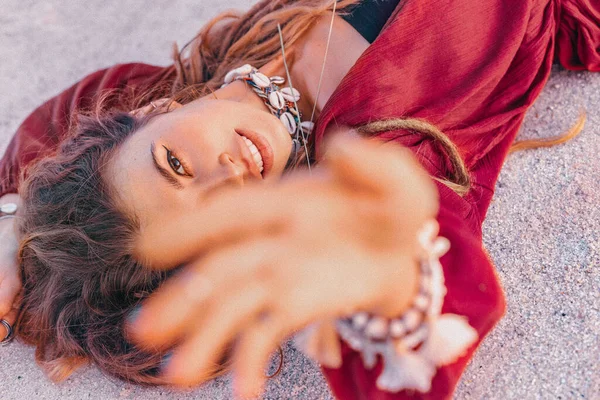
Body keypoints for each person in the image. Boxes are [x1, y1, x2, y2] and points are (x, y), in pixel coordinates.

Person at [0, 0, 597, 399]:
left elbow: (57, 120)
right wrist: (390, 287)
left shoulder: (187, 78)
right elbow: (431, 300)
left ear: (152, 111)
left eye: (176, 166)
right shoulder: (372, 159)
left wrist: (13, 223)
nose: (229, 179)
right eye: (219, 222)